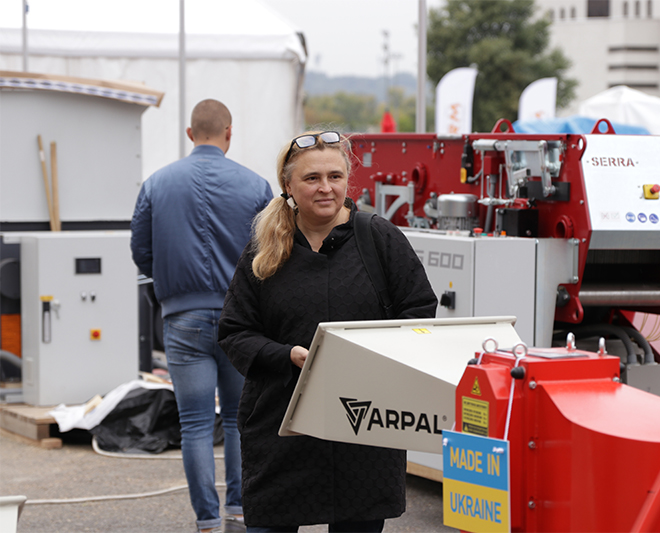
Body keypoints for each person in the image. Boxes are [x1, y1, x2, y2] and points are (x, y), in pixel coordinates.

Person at [217, 130, 437, 532]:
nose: (326, 188)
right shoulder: (265, 248)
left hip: (364, 427)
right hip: (281, 427)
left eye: (335, 176)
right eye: (312, 178)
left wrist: (377, 356)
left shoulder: (379, 238)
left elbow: (420, 311)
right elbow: (235, 331)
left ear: (347, 180)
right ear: (288, 185)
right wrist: (286, 355)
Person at [130, 99, 273, 533]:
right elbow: (273, 250)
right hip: (241, 320)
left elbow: (140, 250)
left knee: (194, 424)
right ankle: (239, 508)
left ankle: (207, 520)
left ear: (190, 134)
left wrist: (167, 285)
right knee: (238, 419)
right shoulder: (256, 186)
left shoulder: (156, 183)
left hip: (182, 316)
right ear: (229, 133)